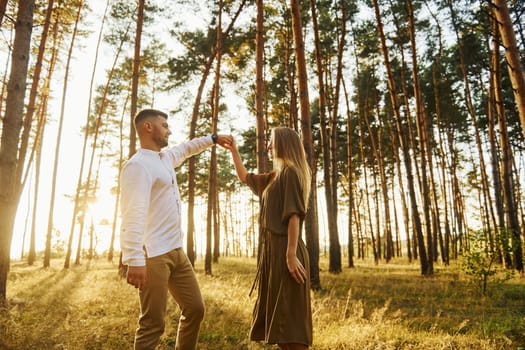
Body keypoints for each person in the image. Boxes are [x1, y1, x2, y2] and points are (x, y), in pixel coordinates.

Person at [119, 108, 232, 350]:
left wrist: (213, 139)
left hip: (176, 251)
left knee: (195, 309)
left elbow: (187, 148)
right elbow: (132, 213)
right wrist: (134, 259)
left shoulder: (164, 158)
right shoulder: (137, 166)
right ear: (148, 128)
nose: (169, 130)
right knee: (152, 323)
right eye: (164, 125)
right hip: (153, 256)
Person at [225, 126, 313, 350]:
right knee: (280, 329)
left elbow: (294, 215)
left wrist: (291, 255)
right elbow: (245, 177)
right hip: (273, 254)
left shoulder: (291, 172)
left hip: (286, 250)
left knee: (291, 326)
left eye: (273, 141)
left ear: (284, 143)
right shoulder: (274, 176)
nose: (269, 146)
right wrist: (234, 151)